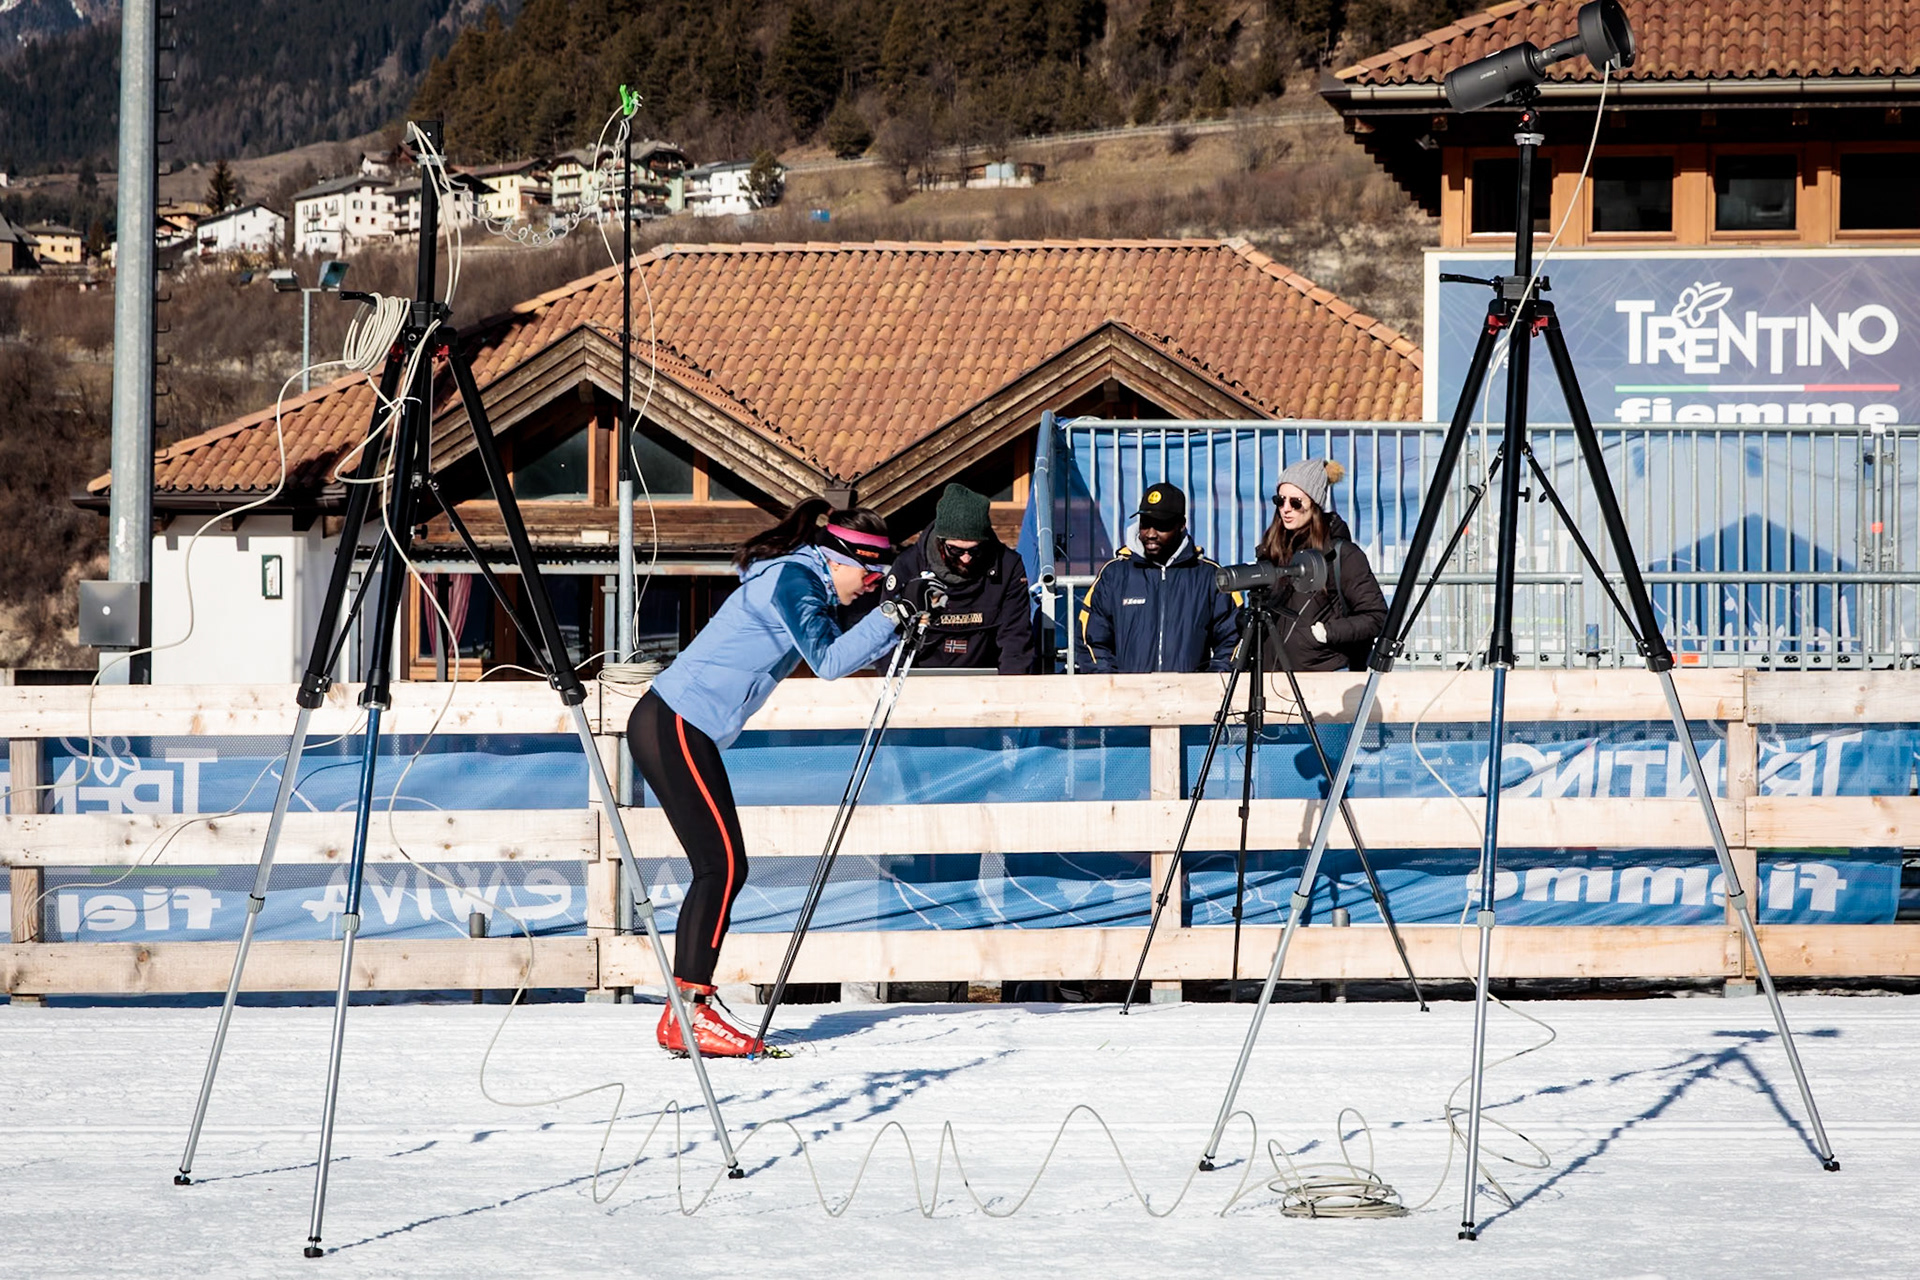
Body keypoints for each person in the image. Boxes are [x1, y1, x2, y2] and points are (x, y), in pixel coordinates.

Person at [627, 497, 923, 1057]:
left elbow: (843, 648)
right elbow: (831, 661)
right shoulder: (794, 580)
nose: (873, 583)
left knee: (721, 865)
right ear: (839, 557)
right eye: (870, 572)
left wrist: (896, 623)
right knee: (723, 865)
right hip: (675, 721)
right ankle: (688, 1012)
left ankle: (687, 1012)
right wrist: (890, 616)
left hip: (680, 724)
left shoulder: (800, 577)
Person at [1078, 482, 1237, 673]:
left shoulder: (1209, 576)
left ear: (1181, 525)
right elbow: (1091, 639)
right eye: (1145, 524)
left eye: (1161, 525)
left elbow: (1233, 639)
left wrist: (1210, 684)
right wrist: (1113, 685)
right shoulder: (1114, 574)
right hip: (1127, 699)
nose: (1151, 534)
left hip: (1191, 699)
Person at [885, 482, 1035, 674]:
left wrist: (1009, 693)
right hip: (918, 680)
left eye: (975, 550)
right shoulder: (909, 567)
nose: (966, 558)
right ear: (941, 542)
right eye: (955, 550)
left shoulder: (1007, 567)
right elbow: (889, 638)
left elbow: (1016, 638)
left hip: (988, 680)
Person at [1257, 458, 1387, 673]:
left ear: (1314, 504)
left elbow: (1376, 616)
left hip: (1325, 677)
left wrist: (1324, 633)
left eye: (1296, 502)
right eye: (1280, 501)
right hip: (1271, 679)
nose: (1286, 509)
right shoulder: (1271, 552)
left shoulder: (1342, 555)